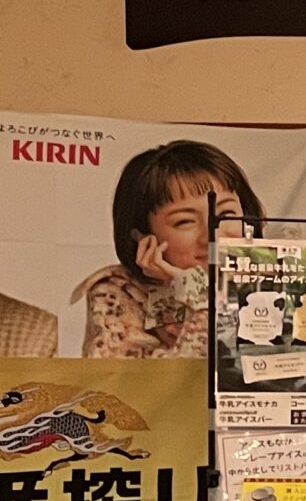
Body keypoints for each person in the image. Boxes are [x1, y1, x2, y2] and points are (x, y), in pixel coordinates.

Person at [77, 141, 264, 360]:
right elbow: (164, 387)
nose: (212, 235)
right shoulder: (118, 292)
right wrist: (195, 291)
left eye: (226, 215)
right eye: (184, 222)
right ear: (143, 236)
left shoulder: (272, 279)